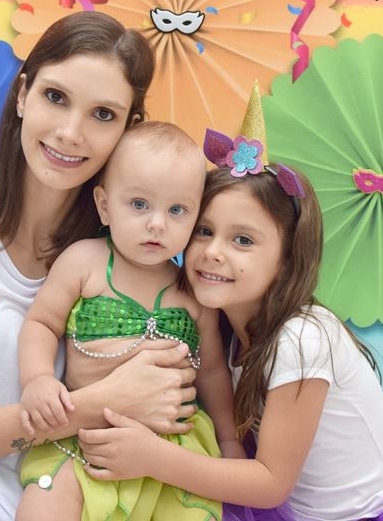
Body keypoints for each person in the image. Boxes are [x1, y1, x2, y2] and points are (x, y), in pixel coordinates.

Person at [76, 91, 383, 521]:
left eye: (243, 240)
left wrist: (153, 458)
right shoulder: (216, 322)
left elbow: (271, 484)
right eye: (204, 231)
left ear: (287, 258)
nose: (213, 252)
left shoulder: (302, 338)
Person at [0, 11, 202, 521]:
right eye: (55, 97)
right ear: (23, 94)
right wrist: (94, 405)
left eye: (103, 114)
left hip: (75, 503)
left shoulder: (140, 257)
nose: (70, 133)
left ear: (128, 130)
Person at [16, 121, 244, 521]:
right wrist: (38, 379)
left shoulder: (192, 291)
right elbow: (42, 324)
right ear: (105, 206)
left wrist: (229, 439)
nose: (157, 223)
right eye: (139, 204)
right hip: (85, 438)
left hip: (173, 448)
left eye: (177, 210)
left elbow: (211, 371)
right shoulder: (84, 262)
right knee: (44, 505)